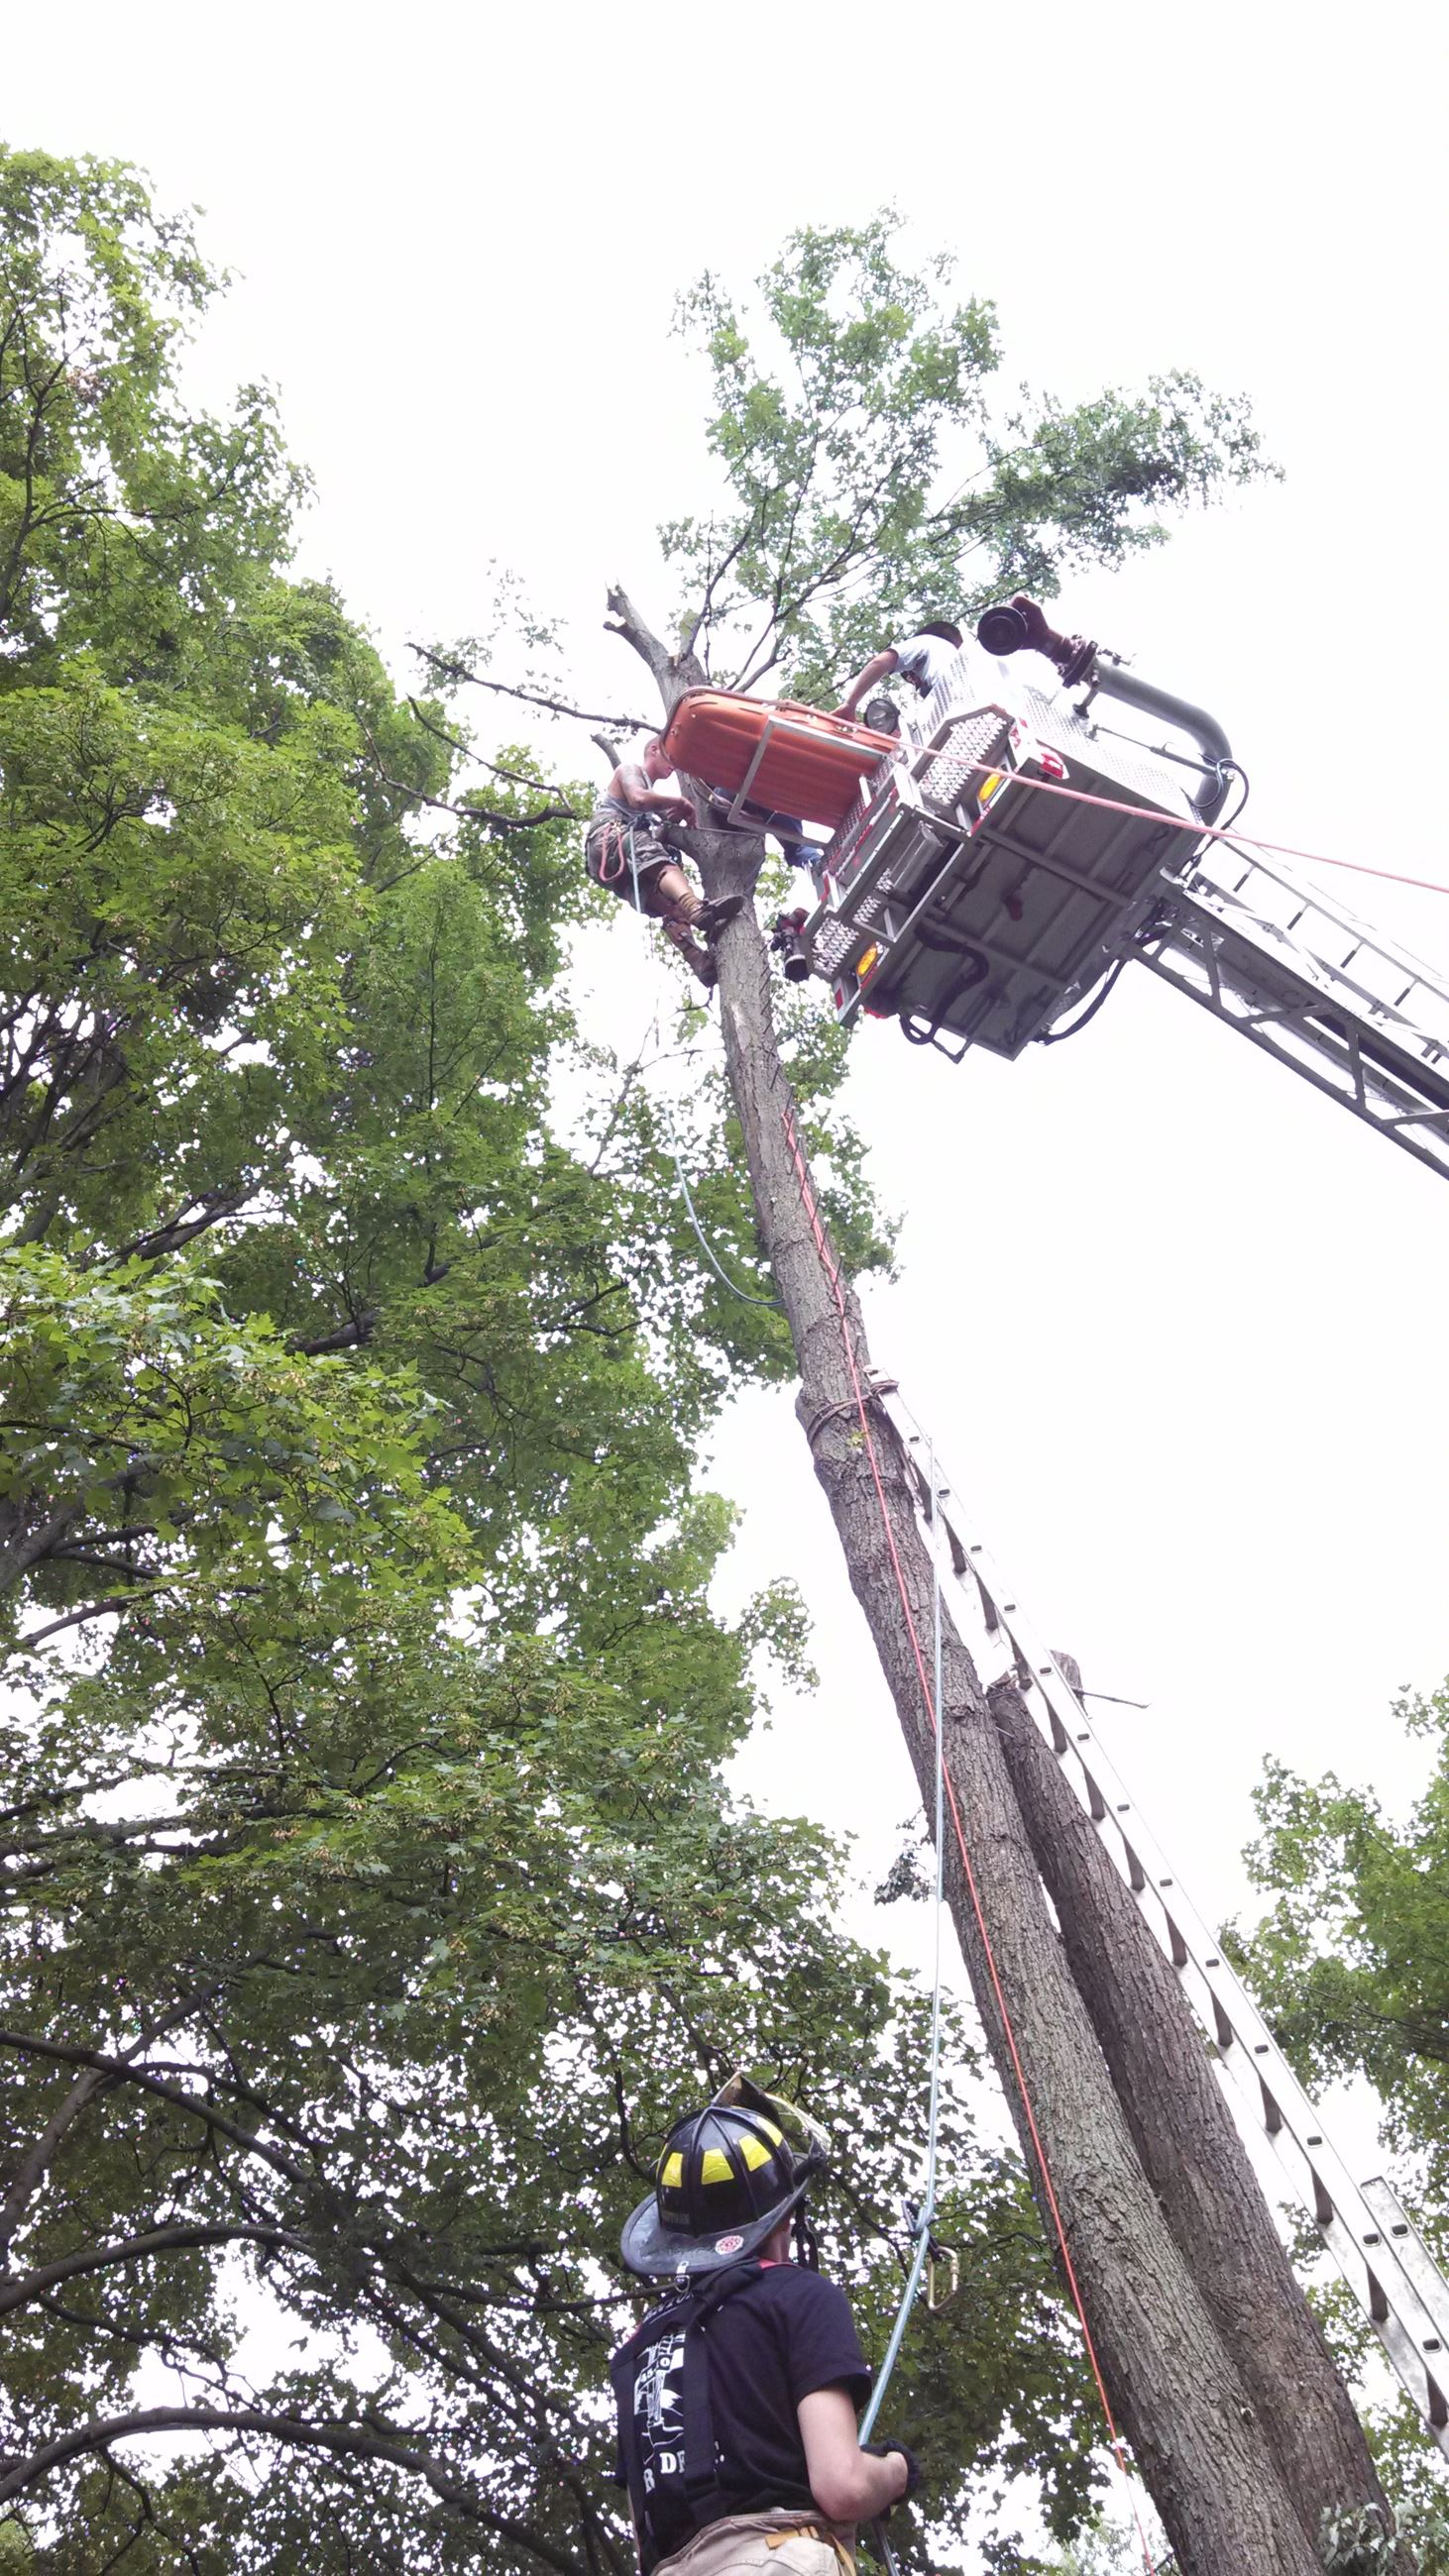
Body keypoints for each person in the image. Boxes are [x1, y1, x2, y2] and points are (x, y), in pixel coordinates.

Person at [612, 2077, 920, 2576]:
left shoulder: (637, 2348)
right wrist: (895, 2471)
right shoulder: (799, 2296)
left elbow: (645, 2530)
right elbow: (841, 2486)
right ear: (784, 2216)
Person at [586, 739, 740, 989]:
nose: (674, 764)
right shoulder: (630, 770)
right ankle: (695, 908)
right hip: (609, 836)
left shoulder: (652, 805)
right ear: (653, 750)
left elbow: (651, 823)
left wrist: (673, 819)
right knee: (666, 867)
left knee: (671, 905)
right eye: (670, 757)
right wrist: (679, 802)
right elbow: (638, 798)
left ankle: (697, 960)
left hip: (613, 863)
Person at [832, 620, 964, 723]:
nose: (913, 681)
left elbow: (879, 663)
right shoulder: (962, 666)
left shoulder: (929, 641)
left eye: (910, 674)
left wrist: (850, 704)